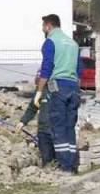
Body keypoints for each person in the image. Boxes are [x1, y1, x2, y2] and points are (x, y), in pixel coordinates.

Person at [34, 14, 81, 172]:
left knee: (58, 127)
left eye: (43, 27)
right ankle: (72, 165)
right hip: (74, 88)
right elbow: (79, 69)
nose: (42, 30)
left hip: (58, 87)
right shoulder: (73, 44)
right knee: (70, 127)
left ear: (48, 26)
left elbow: (46, 68)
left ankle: (64, 167)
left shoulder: (50, 42)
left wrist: (39, 91)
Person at [16, 85, 55, 166]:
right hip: (43, 131)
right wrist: (23, 122)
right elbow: (32, 108)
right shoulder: (40, 90)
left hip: (59, 131)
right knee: (46, 158)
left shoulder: (63, 87)